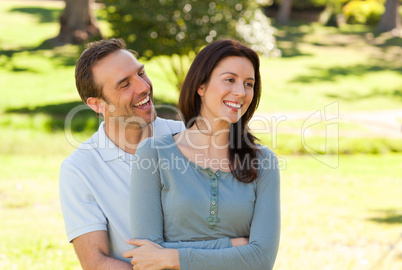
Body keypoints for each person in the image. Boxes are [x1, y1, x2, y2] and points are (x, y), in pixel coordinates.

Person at [59, 38, 247, 269]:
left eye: (141, 73)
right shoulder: (80, 168)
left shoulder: (188, 136)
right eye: (124, 84)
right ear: (97, 104)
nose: (143, 87)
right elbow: (96, 262)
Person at [127, 39, 281, 269]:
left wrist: (173, 257)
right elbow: (146, 255)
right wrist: (232, 246)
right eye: (230, 80)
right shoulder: (153, 154)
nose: (240, 92)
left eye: (249, 84)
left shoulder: (264, 162)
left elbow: (261, 259)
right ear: (201, 86)